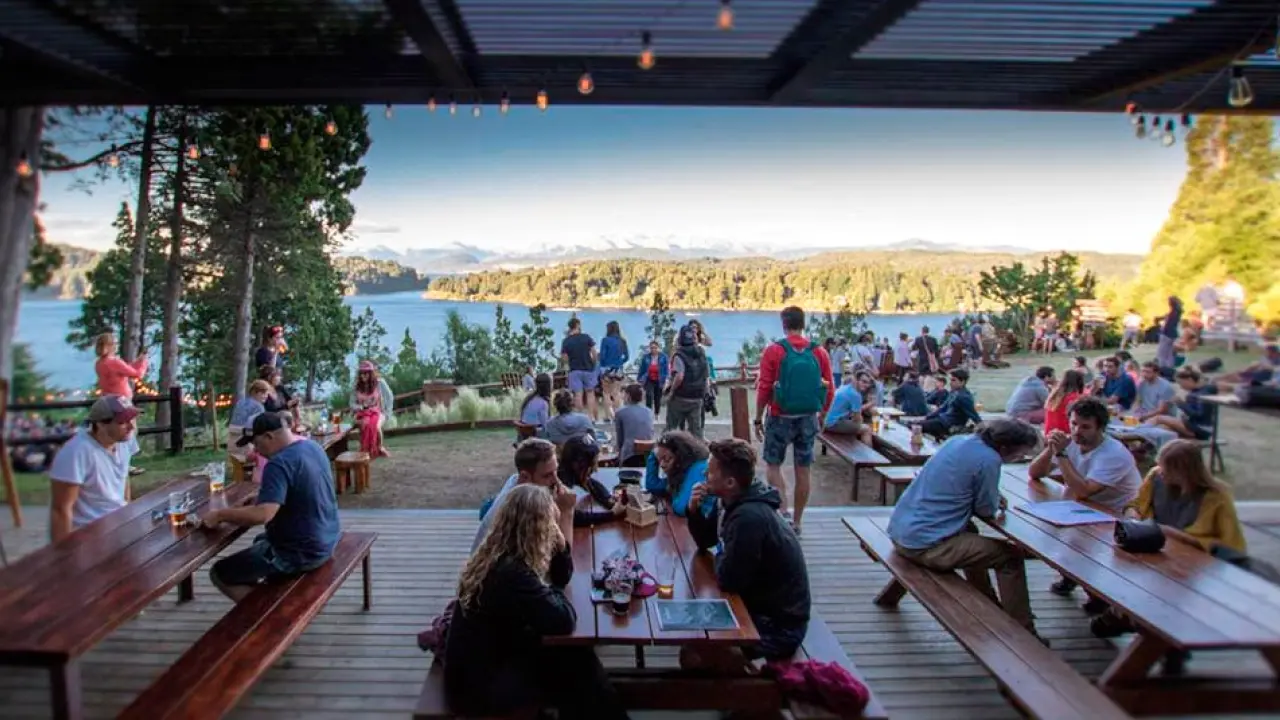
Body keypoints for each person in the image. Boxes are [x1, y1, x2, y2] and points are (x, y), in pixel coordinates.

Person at [446, 484, 629, 720]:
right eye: (550, 524)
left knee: (575, 661)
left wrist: (561, 546)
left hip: (482, 665)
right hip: (479, 687)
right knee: (576, 662)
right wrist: (551, 590)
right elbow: (563, 620)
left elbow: (561, 577)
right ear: (537, 528)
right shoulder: (511, 572)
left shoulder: (499, 552)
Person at [887, 419, 1044, 641]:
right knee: (1010, 557)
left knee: (972, 535)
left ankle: (989, 603)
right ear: (1005, 448)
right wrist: (994, 498)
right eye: (1020, 455)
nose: (1020, 459)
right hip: (925, 545)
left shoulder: (957, 441)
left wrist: (991, 494)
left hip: (903, 530)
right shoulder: (989, 460)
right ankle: (1024, 631)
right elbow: (985, 509)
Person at [1089, 440, 1246, 650]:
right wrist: (1134, 515)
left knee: (1164, 595)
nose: (1161, 471)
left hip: (1194, 564)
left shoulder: (1215, 496)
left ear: (1184, 471)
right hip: (1154, 549)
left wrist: (1172, 533)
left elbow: (1228, 543)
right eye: (1160, 465)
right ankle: (1125, 616)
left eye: (1167, 468)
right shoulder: (1155, 477)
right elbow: (1135, 503)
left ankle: (1139, 628)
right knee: (1121, 570)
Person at [688, 439, 810, 661]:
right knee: (695, 634)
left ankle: (748, 682)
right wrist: (694, 511)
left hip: (779, 625)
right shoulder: (730, 500)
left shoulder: (749, 518)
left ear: (730, 482)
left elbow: (728, 579)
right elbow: (706, 541)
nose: (705, 473)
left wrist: (722, 555)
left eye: (711, 471)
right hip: (758, 605)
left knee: (694, 654)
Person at [203, 412, 340, 601]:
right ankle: (268, 595)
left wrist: (219, 515)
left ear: (269, 436)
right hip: (327, 538)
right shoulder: (312, 447)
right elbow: (299, 487)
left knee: (220, 573)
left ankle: (266, 616)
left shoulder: (278, 463)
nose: (256, 450)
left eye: (256, 443)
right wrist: (263, 497)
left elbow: (263, 514)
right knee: (260, 540)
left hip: (302, 552)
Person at [1030, 396, 1141, 597]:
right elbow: (1034, 473)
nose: (1076, 431)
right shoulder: (1070, 442)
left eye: (1085, 427)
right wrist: (1050, 449)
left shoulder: (1113, 453)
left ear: (1100, 428)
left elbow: (1085, 490)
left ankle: (1097, 594)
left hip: (1118, 514)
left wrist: (1061, 455)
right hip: (1083, 508)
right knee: (1047, 530)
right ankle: (1071, 575)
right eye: (1073, 424)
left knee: (1081, 540)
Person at [754, 306, 834, 534]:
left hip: (780, 416)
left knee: (773, 465)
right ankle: (798, 522)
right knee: (803, 469)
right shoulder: (819, 352)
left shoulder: (774, 351)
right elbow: (829, 388)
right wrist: (823, 415)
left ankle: (784, 513)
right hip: (808, 417)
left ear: (784, 324)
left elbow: (764, 388)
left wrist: (758, 418)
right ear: (803, 324)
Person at [475, 438, 624, 550]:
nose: (556, 480)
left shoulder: (519, 480)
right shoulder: (525, 507)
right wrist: (567, 512)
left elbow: (590, 483)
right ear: (525, 476)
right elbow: (562, 570)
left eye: (555, 471)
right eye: (547, 475)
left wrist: (608, 499)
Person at [48, 395, 140, 542]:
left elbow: (123, 477)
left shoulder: (125, 440)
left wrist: (126, 513)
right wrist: (63, 556)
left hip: (119, 525)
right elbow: (61, 509)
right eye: (122, 422)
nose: (131, 427)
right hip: (89, 533)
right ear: (101, 424)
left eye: (132, 419)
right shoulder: (76, 452)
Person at [645, 430, 717, 518]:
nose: (662, 464)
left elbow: (681, 508)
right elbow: (653, 485)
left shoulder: (698, 468)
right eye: (659, 459)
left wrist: (674, 494)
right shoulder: (680, 471)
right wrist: (654, 453)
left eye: (667, 458)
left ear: (681, 456)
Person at [1148, 367, 1218, 440]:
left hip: (1200, 430)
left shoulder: (1201, 394)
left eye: (1181, 383)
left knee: (1159, 418)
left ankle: (1141, 430)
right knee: (1165, 429)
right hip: (1198, 428)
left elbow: (1199, 415)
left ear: (1189, 380)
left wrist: (1180, 403)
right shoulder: (1203, 390)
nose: (1181, 386)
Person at [666, 324, 710, 439]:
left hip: (681, 395)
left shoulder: (679, 355)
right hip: (697, 396)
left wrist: (671, 392)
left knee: (672, 427)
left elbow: (679, 376)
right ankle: (699, 453)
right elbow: (706, 375)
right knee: (696, 429)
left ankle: (669, 450)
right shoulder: (701, 352)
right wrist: (706, 391)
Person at [920, 369, 981, 440]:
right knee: (913, 424)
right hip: (941, 420)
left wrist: (985, 430)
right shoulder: (953, 392)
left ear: (962, 382)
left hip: (947, 424)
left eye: (954, 380)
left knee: (914, 426)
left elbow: (974, 416)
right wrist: (928, 417)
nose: (950, 383)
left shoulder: (964, 397)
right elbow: (942, 408)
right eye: (951, 380)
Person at [351, 360, 393, 459]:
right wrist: (360, 407)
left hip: (378, 411)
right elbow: (351, 403)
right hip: (363, 413)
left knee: (376, 426)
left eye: (366, 373)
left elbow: (389, 397)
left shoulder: (379, 383)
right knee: (364, 424)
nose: (363, 376)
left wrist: (387, 412)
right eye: (361, 373)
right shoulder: (356, 386)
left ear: (371, 374)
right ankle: (365, 449)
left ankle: (379, 448)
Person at [560, 318, 599, 420]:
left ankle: (581, 417)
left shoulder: (566, 341)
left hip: (574, 370)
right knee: (590, 393)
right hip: (588, 369)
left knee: (578, 394)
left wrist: (571, 361)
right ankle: (591, 417)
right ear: (578, 325)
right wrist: (593, 364)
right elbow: (594, 353)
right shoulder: (586, 338)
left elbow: (564, 358)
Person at [93, 333, 147, 401]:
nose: (117, 345)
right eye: (115, 343)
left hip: (107, 400)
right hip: (121, 400)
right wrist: (144, 362)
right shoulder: (114, 362)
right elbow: (138, 374)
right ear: (110, 346)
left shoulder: (98, 363)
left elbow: (125, 369)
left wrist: (138, 362)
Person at [613, 383, 654, 463]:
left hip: (630, 452)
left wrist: (619, 451)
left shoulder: (620, 412)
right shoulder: (649, 411)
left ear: (628, 396)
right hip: (648, 450)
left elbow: (620, 438)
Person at [823, 374, 870, 443]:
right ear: (856, 380)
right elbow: (856, 419)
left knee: (857, 426)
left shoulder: (845, 387)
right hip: (832, 424)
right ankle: (868, 453)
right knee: (867, 429)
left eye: (868, 383)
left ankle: (857, 449)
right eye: (864, 381)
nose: (866, 385)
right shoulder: (856, 395)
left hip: (826, 421)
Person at [598, 321, 630, 421]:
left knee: (606, 393)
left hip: (607, 369)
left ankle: (608, 415)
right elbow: (627, 356)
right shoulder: (622, 341)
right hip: (618, 369)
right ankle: (618, 415)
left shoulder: (605, 340)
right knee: (616, 393)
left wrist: (603, 365)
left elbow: (602, 356)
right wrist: (620, 362)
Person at [1215, 342, 1280, 388]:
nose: (1266, 353)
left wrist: (1265, 366)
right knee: (1236, 373)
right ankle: (1216, 379)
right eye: (1266, 351)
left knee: (1237, 378)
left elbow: (1275, 369)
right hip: (1257, 372)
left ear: (1273, 352)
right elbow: (1256, 365)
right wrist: (1247, 369)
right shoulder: (1265, 358)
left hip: (1265, 376)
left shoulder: (1277, 359)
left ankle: (1218, 382)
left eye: (1268, 351)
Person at [1044, 369, 1086, 435]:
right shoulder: (1075, 398)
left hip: (1049, 434)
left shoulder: (1054, 394)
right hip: (1065, 436)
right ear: (1079, 382)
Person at [636, 340, 669, 417]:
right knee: (649, 395)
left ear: (658, 348)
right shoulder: (646, 357)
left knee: (657, 398)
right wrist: (639, 379)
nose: (653, 349)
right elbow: (642, 369)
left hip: (660, 379)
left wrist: (667, 379)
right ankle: (648, 414)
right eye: (651, 348)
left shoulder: (664, 357)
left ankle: (657, 414)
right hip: (649, 379)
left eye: (655, 348)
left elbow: (667, 369)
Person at [1157, 296, 1183, 371]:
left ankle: (1162, 368)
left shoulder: (1172, 313)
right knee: (1170, 353)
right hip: (1173, 334)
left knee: (1162, 353)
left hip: (1166, 334)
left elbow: (1167, 325)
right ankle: (1169, 367)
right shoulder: (1177, 312)